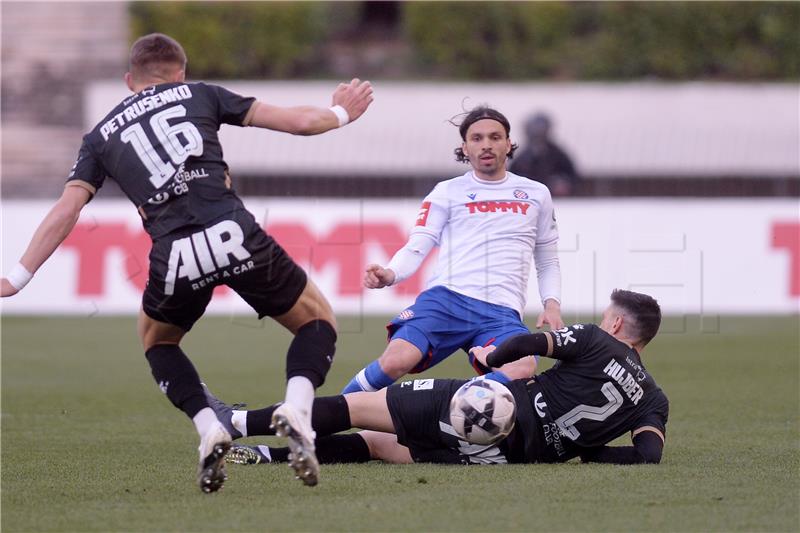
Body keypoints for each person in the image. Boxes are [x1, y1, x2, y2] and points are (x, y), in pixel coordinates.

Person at [0, 33, 373, 492]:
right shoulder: (202, 94)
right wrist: (340, 112)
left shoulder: (99, 137)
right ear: (181, 71)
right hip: (234, 233)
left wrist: (17, 276)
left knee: (158, 343)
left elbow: (68, 208)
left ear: (128, 80)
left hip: (175, 253)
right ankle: (296, 409)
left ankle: (208, 427)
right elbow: (297, 123)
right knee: (317, 321)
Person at [211, 289, 667, 466]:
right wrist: (588, 451)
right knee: (373, 446)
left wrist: (490, 360)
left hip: (486, 405)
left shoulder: (595, 339)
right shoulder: (653, 400)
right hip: (510, 457)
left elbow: (529, 343)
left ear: (616, 325)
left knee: (356, 409)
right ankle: (265, 458)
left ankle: (233, 424)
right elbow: (648, 455)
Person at [341, 105, 564, 395]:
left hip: (502, 313)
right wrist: (390, 274)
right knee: (396, 361)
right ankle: (319, 421)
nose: (486, 144)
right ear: (465, 148)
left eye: (495, 137)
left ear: (508, 144)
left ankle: (450, 409)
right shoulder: (447, 191)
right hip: (447, 300)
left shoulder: (536, 193)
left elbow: (547, 258)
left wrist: (552, 304)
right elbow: (417, 246)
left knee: (521, 369)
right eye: (477, 138)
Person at [508, 112, 580, 197]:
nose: (537, 135)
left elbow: (573, 176)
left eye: (540, 132)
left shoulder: (559, 155)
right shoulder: (522, 159)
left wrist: (564, 183)